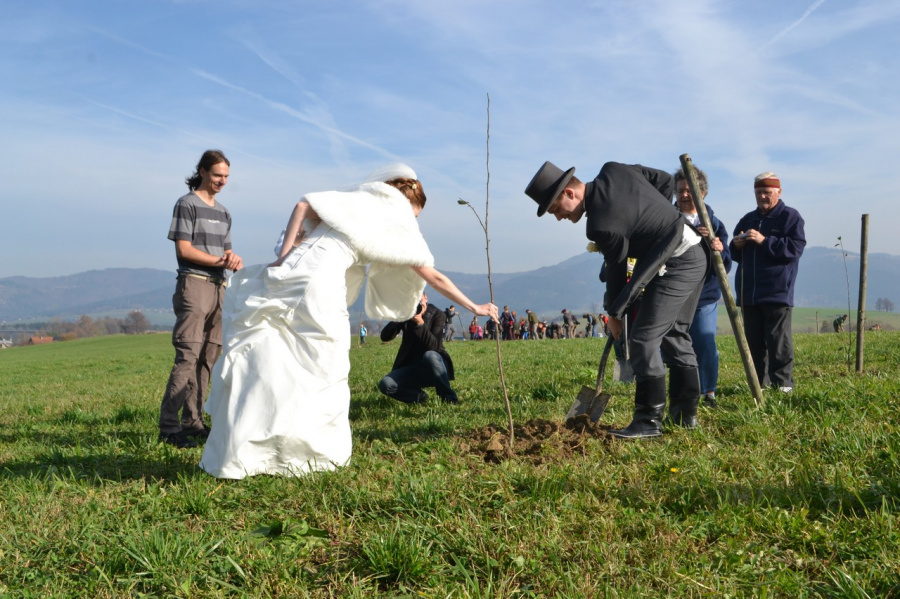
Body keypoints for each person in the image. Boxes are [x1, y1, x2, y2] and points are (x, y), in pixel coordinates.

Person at [199, 165, 498, 479]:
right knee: (322, 366)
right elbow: (433, 276)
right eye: (415, 216)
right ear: (406, 203)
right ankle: (305, 455)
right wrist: (474, 306)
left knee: (272, 354)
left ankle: (247, 449)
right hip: (321, 284)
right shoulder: (394, 217)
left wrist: (283, 257)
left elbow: (302, 205)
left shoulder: (354, 201)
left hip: (293, 272)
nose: (412, 224)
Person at [526, 161, 708, 439]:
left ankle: (648, 421)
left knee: (643, 339)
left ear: (570, 194)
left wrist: (614, 315)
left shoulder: (600, 224)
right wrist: (657, 219)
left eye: (555, 209)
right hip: (694, 253)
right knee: (673, 334)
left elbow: (617, 270)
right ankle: (685, 417)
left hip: (678, 263)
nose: (558, 217)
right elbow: (663, 180)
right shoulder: (614, 170)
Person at [159, 150, 243, 449]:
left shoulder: (224, 212)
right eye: (218, 175)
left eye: (226, 177)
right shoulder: (186, 204)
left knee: (208, 358)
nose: (222, 181)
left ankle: (193, 422)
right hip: (194, 285)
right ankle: (169, 428)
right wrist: (219, 261)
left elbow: (225, 252)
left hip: (220, 287)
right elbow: (184, 250)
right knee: (188, 356)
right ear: (203, 172)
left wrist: (231, 259)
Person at [730, 172, 805, 393]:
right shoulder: (747, 219)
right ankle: (758, 387)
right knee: (753, 344)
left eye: (767, 192)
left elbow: (794, 249)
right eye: (759, 192)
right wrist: (737, 245)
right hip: (749, 294)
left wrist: (764, 241)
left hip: (777, 293)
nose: (762, 196)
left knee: (778, 343)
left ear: (779, 192)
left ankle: (783, 387)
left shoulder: (790, 217)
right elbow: (734, 253)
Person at [673, 167, 732, 408]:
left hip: (705, 294)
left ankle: (709, 393)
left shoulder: (714, 223)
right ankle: (683, 392)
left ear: (703, 193)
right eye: (680, 191)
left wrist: (716, 247)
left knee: (705, 343)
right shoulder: (669, 218)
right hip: (675, 292)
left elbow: (726, 262)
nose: (685, 195)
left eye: (690, 191)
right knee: (677, 344)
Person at [378, 293, 459, 405]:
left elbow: (434, 346)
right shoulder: (406, 315)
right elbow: (385, 337)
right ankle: (418, 397)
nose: (416, 304)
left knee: (430, 355)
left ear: (426, 298)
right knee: (386, 384)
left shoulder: (438, 314)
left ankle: (448, 398)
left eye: (418, 299)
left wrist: (420, 324)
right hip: (413, 367)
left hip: (436, 366)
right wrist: (400, 316)